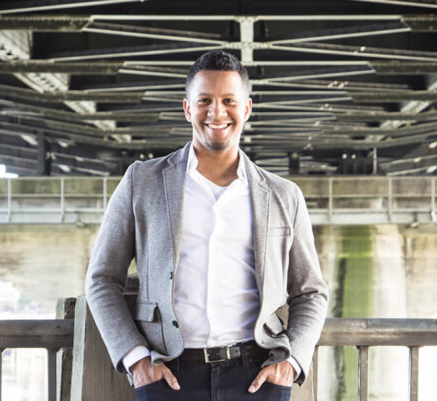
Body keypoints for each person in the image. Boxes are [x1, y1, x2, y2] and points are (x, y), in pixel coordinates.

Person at [85, 50, 328, 400]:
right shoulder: (143, 181)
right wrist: (136, 359)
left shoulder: (283, 195)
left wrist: (292, 362)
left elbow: (310, 292)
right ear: (187, 109)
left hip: (256, 376)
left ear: (246, 108)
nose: (217, 112)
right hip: (168, 377)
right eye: (205, 101)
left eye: (229, 100)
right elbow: (101, 278)